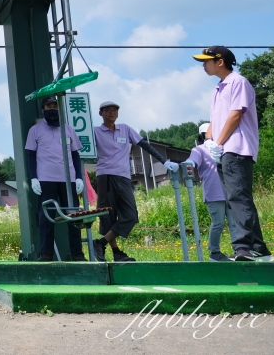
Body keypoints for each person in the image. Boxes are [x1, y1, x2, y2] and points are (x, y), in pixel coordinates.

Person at [194, 45, 274, 262]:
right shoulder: (218, 89)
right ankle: (259, 248)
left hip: (236, 148)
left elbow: (236, 115)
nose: (203, 64)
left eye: (206, 60)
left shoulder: (238, 82)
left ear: (220, 61)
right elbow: (214, 122)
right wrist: (210, 142)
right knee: (235, 198)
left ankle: (243, 247)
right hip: (223, 151)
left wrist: (218, 142)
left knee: (238, 198)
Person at [92, 101, 179, 262]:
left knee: (131, 216)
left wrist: (163, 160)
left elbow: (144, 145)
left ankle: (100, 243)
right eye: (107, 110)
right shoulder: (95, 131)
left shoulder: (125, 129)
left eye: (114, 110)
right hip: (105, 176)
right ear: (100, 113)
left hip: (124, 177)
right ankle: (116, 252)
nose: (111, 113)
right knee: (108, 217)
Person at [25, 95, 86, 261]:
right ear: (43, 109)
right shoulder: (35, 130)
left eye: (55, 105)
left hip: (69, 179)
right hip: (45, 179)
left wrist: (79, 177)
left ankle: (77, 254)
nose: (52, 109)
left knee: (73, 216)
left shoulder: (68, 129)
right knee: (46, 217)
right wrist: (34, 178)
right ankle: (45, 253)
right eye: (49, 106)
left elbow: (75, 154)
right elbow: (31, 155)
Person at [190, 123, 234, 261]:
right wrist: (188, 165)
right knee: (218, 223)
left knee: (235, 223)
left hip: (230, 191)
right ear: (205, 134)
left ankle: (239, 250)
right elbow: (191, 161)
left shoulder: (222, 147)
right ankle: (214, 253)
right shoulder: (199, 149)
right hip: (214, 193)